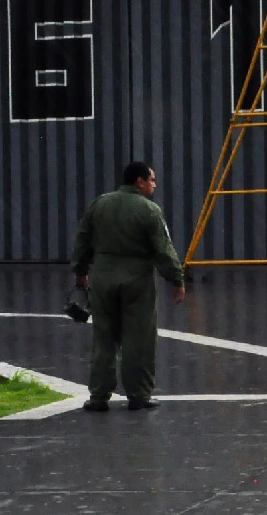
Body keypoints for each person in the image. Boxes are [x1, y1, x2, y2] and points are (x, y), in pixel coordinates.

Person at [70, 161, 186, 412]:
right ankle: (138, 394)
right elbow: (163, 250)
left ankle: (99, 396)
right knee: (139, 338)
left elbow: (82, 240)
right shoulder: (149, 210)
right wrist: (176, 279)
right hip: (137, 280)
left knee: (104, 337)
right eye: (151, 180)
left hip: (102, 277)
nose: (154, 184)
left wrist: (80, 272)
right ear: (139, 181)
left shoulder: (99, 204)